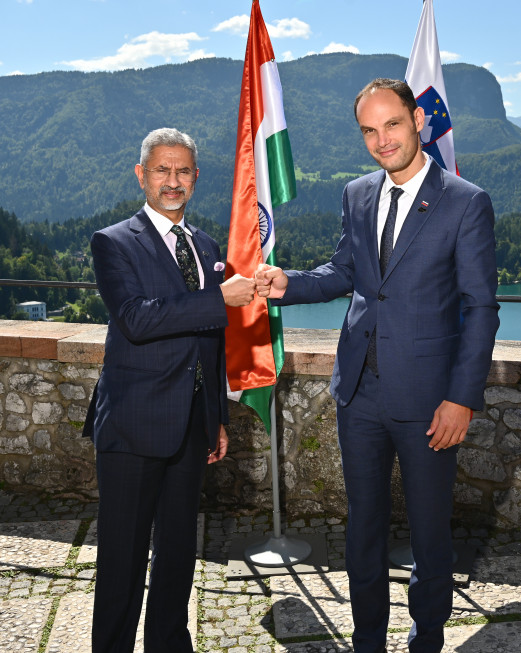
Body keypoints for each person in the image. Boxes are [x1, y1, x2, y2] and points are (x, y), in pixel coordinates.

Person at [256, 78, 499, 652]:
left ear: (418, 120)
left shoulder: (466, 201)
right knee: (362, 528)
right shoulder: (357, 194)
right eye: (369, 130)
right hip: (359, 392)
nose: (382, 140)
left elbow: (482, 309)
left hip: (429, 400)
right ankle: (367, 640)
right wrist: (287, 283)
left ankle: (427, 639)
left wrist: (461, 398)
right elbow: (346, 272)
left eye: (392, 124)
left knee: (430, 534)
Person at [83, 127, 256, 652]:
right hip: (133, 426)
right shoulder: (114, 242)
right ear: (142, 175)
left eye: (183, 171)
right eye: (162, 169)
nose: (172, 181)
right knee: (124, 559)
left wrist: (216, 417)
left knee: (179, 553)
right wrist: (220, 299)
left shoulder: (204, 244)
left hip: (189, 427)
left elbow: (208, 340)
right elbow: (136, 320)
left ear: (196, 179)